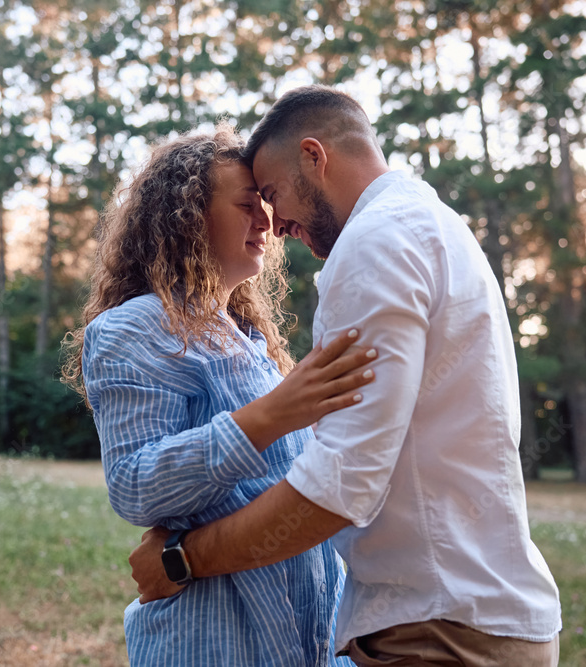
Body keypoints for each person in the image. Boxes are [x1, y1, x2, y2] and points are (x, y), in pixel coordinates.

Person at [129, 86, 563, 666]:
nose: (275, 224)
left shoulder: (373, 242)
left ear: (315, 156)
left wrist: (182, 558)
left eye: (274, 194)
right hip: (474, 619)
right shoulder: (436, 224)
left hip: (437, 634)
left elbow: (340, 486)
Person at [63, 122, 376, 666]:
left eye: (266, 204)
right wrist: (271, 416)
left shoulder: (250, 340)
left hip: (306, 643)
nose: (266, 220)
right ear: (188, 219)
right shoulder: (133, 328)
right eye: (245, 204)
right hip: (211, 640)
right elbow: (135, 487)